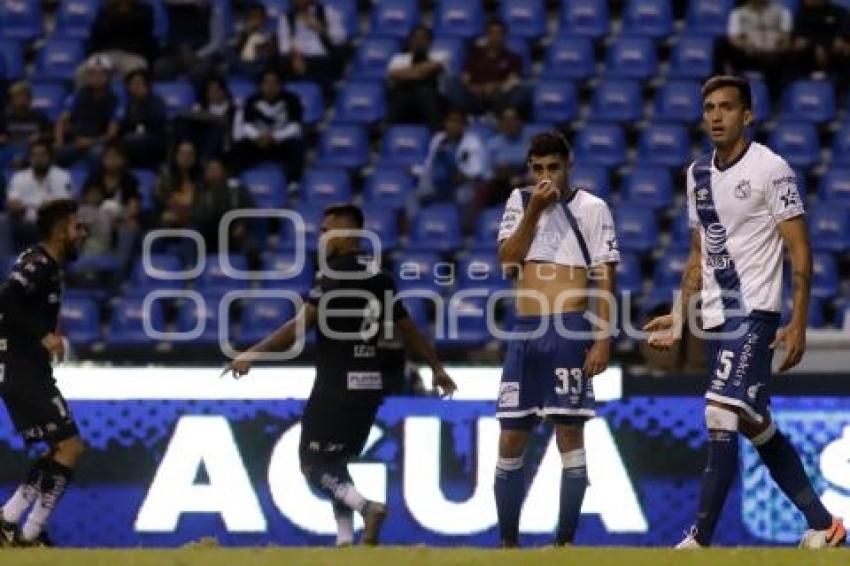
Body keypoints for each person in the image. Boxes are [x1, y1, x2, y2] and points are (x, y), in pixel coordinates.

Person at [644, 75, 846, 549]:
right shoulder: (696, 175)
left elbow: (800, 249)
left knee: (719, 413)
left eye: (727, 107)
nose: (716, 116)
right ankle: (823, 524)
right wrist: (678, 315)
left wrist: (798, 322)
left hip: (755, 311)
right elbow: (697, 255)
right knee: (756, 424)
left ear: (747, 115)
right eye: (709, 107)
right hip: (718, 317)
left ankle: (697, 541)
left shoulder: (771, 169)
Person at [223, 204, 457, 546]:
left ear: (346, 233)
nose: (321, 239)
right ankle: (345, 541)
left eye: (326, 231)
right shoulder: (380, 276)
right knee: (335, 461)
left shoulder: (332, 274)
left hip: (336, 382)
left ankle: (366, 507)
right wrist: (437, 368)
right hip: (370, 386)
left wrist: (251, 354)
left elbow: (298, 326)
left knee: (312, 463)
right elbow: (409, 330)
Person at [494, 132, 619, 547]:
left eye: (553, 167)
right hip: (524, 330)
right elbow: (508, 260)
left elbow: (605, 277)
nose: (545, 176)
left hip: (568, 328)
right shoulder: (519, 201)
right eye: (538, 169)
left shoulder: (592, 208)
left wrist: (602, 339)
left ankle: (563, 543)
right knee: (511, 436)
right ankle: (508, 545)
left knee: (569, 434)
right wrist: (534, 210)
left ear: (570, 165)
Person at [0, 199, 88, 547]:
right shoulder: (39, 263)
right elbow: (6, 300)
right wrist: (44, 335)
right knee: (71, 447)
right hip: (21, 369)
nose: (81, 233)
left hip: (26, 368)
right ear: (59, 229)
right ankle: (24, 529)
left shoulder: (44, 263)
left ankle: (16, 525)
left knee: (60, 447)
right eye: (75, 226)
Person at [231, 69, 304, 180]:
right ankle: (236, 180)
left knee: (296, 147)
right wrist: (258, 136)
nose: (270, 86)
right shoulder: (252, 100)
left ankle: (293, 183)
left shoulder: (292, 100)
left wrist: (275, 136)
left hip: (280, 142)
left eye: (273, 83)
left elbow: (295, 126)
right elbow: (246, 126)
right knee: (239, 147)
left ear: (279, 85)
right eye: (266, 83)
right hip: (259, 142)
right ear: (261, 85)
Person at [447, 20, 529, 117]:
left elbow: (512, 80)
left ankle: (496, 116)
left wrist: (495, 87)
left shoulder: (513, 58)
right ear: (487, 35)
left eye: (499, 34)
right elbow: (465, 78)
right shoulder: (475, 54)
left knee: (525, 89)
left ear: (504, 36)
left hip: (500, 98)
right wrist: (475, 88)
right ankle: (467, 116)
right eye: (492, 33)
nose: (496, 37)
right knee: (452, 81)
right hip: (476, 97)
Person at [6, 140, 72, 251]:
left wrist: (49, 207)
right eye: (35, 155)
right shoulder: (19, 177)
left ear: (50, 157)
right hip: (25, 224)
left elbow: (66, 205)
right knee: (3, 221)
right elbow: (13, 204)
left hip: (53, 224)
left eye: (42, 155)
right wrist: (16, 207)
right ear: (30, 158)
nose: (38, 159)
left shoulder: (62, 176)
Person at [386, 25, 449, 130]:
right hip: (405, 99)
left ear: (430, 41)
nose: (418, 41)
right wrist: (420, 71)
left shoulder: (441, 55)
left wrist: (406, 74)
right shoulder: (398, 58)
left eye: (423, 38)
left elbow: (421, 73)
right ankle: (390, 133)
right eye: (415, 38)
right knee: (400, 95)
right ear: (410, 41)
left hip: (433, 98)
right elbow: (393, 74)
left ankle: (437, 131)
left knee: (423, 91)